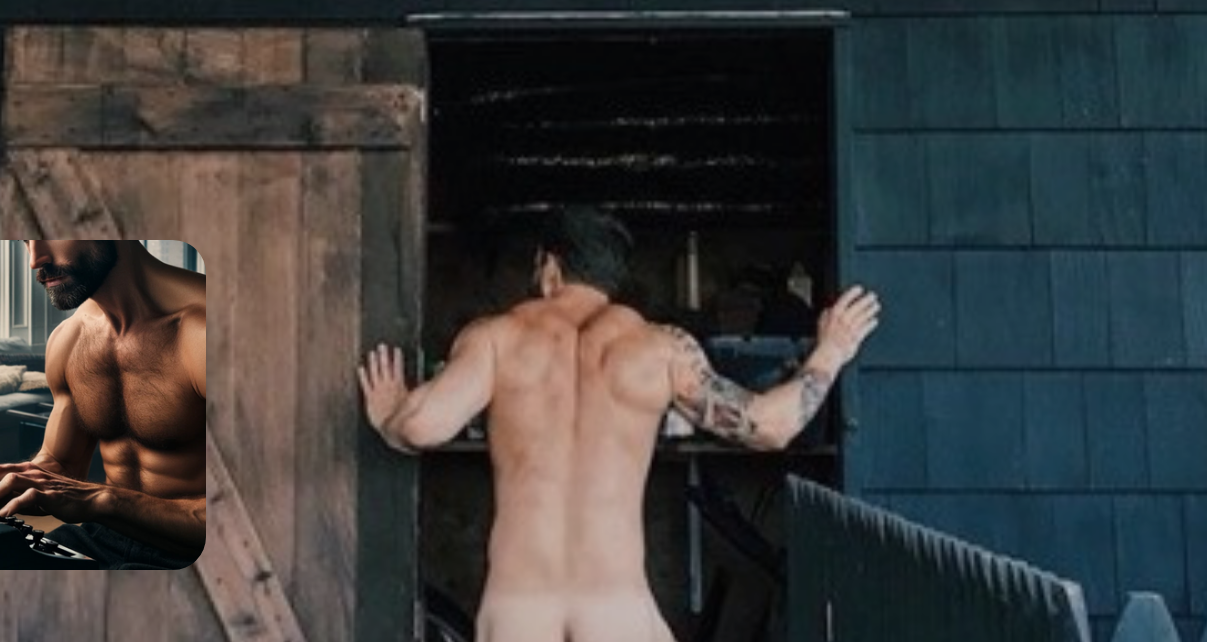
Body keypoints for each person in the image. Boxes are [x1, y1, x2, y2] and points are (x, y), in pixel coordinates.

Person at [358, 206, 881, 642]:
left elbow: (420, 427)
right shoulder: (661, 348)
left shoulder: (496, 338)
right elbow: (772, 426)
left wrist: (387, 415)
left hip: (518, 613)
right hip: (616, 612)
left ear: (549, 267)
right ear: (612, 277)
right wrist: (831, 351)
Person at [0, 239, 207, 569]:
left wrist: (106, 499)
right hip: (101, 536)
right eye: (26, 242)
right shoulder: (70, 337)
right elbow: (61, 466)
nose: (35, 259)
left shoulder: (213, 330)